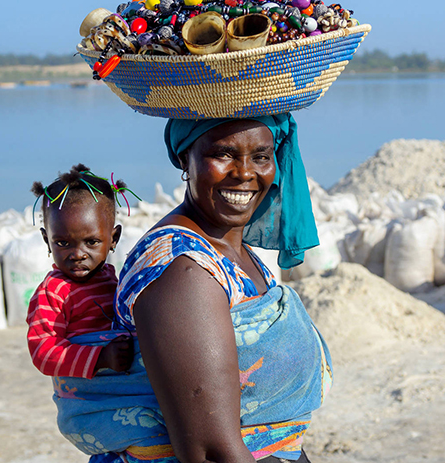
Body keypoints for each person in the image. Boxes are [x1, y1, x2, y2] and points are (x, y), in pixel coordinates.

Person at [53, 115, 332, 463]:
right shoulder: (182, 269)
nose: (245, 173)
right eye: (223, 154)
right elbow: (212, 452)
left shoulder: (234, 251)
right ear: (185, 159)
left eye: (261, 156)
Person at [26, 164, 134, 379]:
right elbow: (42, 352)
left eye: (91, 242)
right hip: (86, 398)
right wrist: (101, 357)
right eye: (63, 243)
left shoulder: (112, 280)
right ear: (47, 241)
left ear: (113, 239)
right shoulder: (54, 293)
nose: (77, 254)